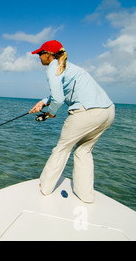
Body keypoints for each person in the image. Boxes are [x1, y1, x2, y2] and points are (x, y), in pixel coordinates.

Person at [29, 40, 115, 203]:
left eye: (40, 54)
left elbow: (59, 99)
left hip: (87, 112)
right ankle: (86, 195)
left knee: (62, 148)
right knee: (83, 151)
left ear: (49, 54)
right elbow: (63, 92)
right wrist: (43, 101)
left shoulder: (53, 68)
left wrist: (50, 114)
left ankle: (45, 187)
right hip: (108, 112)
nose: (39, 57)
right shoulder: (70, 67)